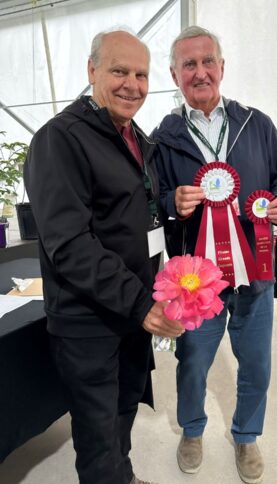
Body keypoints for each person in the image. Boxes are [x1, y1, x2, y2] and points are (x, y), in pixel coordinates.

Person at [24, 29, 184, 484]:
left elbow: (136, 217)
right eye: (119, 71)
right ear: (92, 70)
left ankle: (124, 477)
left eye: (141, 74)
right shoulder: (60, 140)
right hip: (89, 321)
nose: (132, 84)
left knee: (122, 415)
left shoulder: (133, 138)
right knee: (97, 436)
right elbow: (70, 245)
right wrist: (142, 303)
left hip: (130, 312)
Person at [152, 25, 277, 484]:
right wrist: (169, 203)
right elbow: (151, 196)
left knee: (256, 362)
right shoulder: (163, 137)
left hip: (256, 272)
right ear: (175, 75)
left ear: (222, 66)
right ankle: (192, 430)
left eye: (207, 61)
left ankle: (246, 435)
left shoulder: (258, 123)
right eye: (189, 65)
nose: (200, 72)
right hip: (195, 283)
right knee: (192, 362)